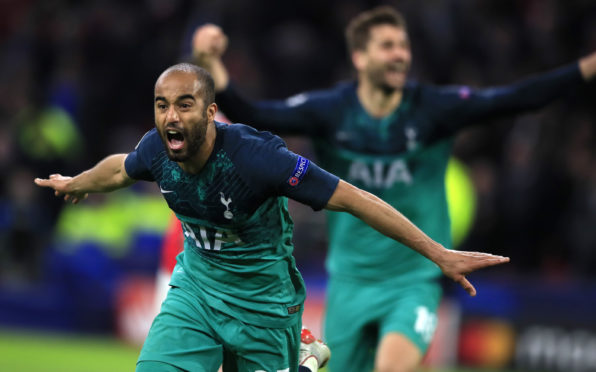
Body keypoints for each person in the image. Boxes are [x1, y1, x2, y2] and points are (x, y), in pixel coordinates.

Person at [191, 6, 596, 372]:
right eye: (387, 46)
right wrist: (211, 64)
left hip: (413, 279)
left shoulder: (431, 109)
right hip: (349, 281)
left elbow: (514, 99)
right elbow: (255, 114)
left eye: (403, 46)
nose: (400, 54)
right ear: (360, 58)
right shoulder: (331, 112)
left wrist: (586, 68)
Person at [34, 63, 508, 372]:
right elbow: (120, 167)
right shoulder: (155, 150)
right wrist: (77, 182)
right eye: (162, 105)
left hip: (263, 303)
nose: (171, 116)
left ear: (210, 111)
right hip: (195, 292)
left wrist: (437, 253)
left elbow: (355, 199)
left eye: (184, 104)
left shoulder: (257, 160)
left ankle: (298, 353)